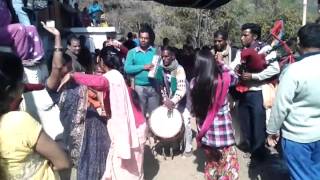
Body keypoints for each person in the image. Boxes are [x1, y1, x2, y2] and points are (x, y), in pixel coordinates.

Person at [58, 46, 147, 180]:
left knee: (128, 172)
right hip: (136, 127)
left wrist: (73, 75)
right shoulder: (119, 78)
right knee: (129, 169)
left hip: (133, 129)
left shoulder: (113, 77)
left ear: (101, 61)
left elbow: (100, 82)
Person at [44, 25, 110, 180]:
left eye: (68, 67)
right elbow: (57, 65)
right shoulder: (54, 87)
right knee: (85, 167)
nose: (67, 69)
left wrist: (101, 107)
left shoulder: (75, 80)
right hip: (77, 134)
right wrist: (58, 37)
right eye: (65, 67)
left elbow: (96, 89)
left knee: (103, 163)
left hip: (96, 125)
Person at [0, 52, 70, 179]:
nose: (24, 84)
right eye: (22, 80)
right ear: (9, 89)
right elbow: (63, 163)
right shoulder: (18, 121)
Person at [266, 23, 320, 180]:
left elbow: (280, 107)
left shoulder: (294, 71)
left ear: (299, 42)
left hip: (298, 138)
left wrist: (271, 131)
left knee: (301, 176)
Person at [230, 23, 279, 160]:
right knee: (245, 121)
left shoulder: (266, 49)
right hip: (243, 92)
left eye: (245, 35)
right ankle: (251, 148)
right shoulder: (242, 51)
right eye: (242, 35)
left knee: (258, 123)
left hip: (258, 92)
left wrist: (254, 76)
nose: (241, 38)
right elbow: (234, 64)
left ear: (255, 36)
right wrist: (235, 69)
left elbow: (274, 69)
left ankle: (259, 153)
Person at [191, 49, 239, 180]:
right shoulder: (223, 80)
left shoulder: (193, 84)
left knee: (212, 169)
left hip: (207, 137)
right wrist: (221, 63)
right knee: (228, 170)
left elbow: (195, 111)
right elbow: (235, 77)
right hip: (225, 138)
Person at [154, 46, 193, 156]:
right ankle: (174, 144)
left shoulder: (179, 69)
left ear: (173, 56)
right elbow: (161, 86)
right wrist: (165, 99)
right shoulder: (160, 68)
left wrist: (172, 101)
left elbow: (181, 89)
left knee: (185, 121)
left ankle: (188, 147)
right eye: (162, 56)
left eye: (167, 56)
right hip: (170, 98)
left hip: (183, 98)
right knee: (170, 120)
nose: (164, 59)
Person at [124, 25, 160, 117]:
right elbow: (127, 68)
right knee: (140, 116)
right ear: (139, 38)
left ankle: (151, 131)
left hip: (154, 87)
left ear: (149, 39)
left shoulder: (155, 51)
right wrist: (143, 67)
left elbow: (161, 68)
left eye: (146, 38)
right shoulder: (132, 52)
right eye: (141, 38)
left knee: (154, 116)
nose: (143, 40)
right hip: (139, 88)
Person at [0, 0, 44, 64]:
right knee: (19, 28)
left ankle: (38, 57)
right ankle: (21, 59)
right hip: (4, 31)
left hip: (6, 31)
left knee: (31, 28)